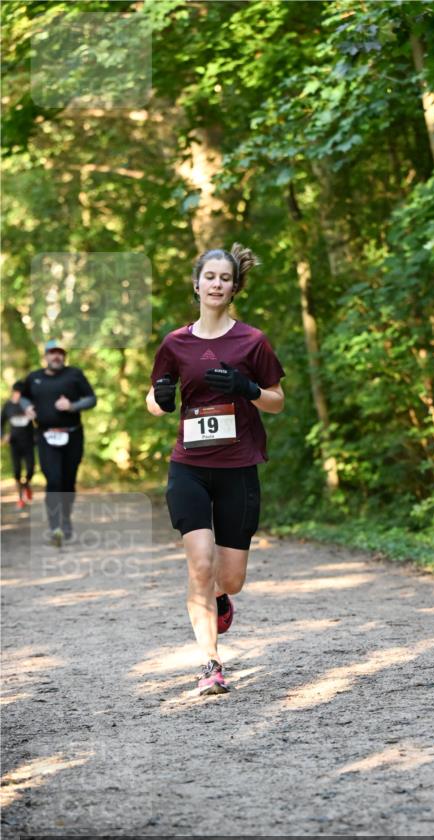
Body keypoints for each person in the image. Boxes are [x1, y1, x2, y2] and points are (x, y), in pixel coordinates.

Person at [146, 244, 285, 696]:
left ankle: (221, 599)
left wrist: (247, 388)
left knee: (230, 578)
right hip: (188, 465)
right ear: (197, 283)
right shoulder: (175, 343)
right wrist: (162, 399)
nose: (217, 284)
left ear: (234, 286)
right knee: (199, 564)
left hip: (238, 467)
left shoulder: (252, 341)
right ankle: (210, 663)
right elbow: (154, 399)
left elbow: (277, 401)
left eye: (225, 278)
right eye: (210, 277)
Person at [20, 339, 97, 545]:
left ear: (64, 356)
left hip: (72, 435)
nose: (57, 356)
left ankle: (66, 520)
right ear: (45, 356)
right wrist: (27, 407)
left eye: (60, 353)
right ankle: (55, 526)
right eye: (52, 353)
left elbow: (91, 399)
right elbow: (23, 397)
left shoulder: (74, 375)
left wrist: (71, 405)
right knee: (53, 479)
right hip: (45, 436)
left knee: (68, 481)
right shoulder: (34, 377)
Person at [1, 380, 35, 510]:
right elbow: (1, 422)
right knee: (16, 472)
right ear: (13, 392)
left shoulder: (28, 406)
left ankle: (26, 485)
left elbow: (38, 422)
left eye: (21, 393)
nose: (19, 395)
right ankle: (20, 498)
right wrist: (3, 435)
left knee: (30, 470)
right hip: (14, 443)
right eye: (17, 392)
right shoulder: (8, 406)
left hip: (29, 443)